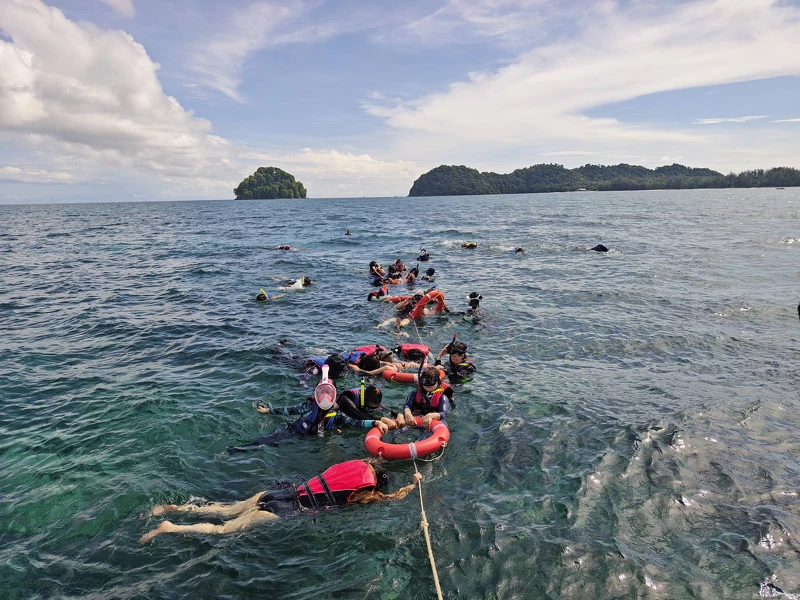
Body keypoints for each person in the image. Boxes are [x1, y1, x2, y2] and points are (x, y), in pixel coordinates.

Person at [140, 460, 422, 542]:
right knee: (222, 530)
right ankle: (171, 528)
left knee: (225, 510)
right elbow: (391, 499)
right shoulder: (366, 491)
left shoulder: (353, 465)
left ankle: (179, 508)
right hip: (289, 509)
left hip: (281, 493)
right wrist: (413, 483)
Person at [226, 391, 389, 452]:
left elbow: (356, 423)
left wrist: (375, 423)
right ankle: (237, 449)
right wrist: (268, 410)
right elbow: (289, 410)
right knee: (264, 443)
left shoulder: (337, 415)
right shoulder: (310, 405)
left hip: (308, 441)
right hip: (291, 432)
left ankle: (238, 450)